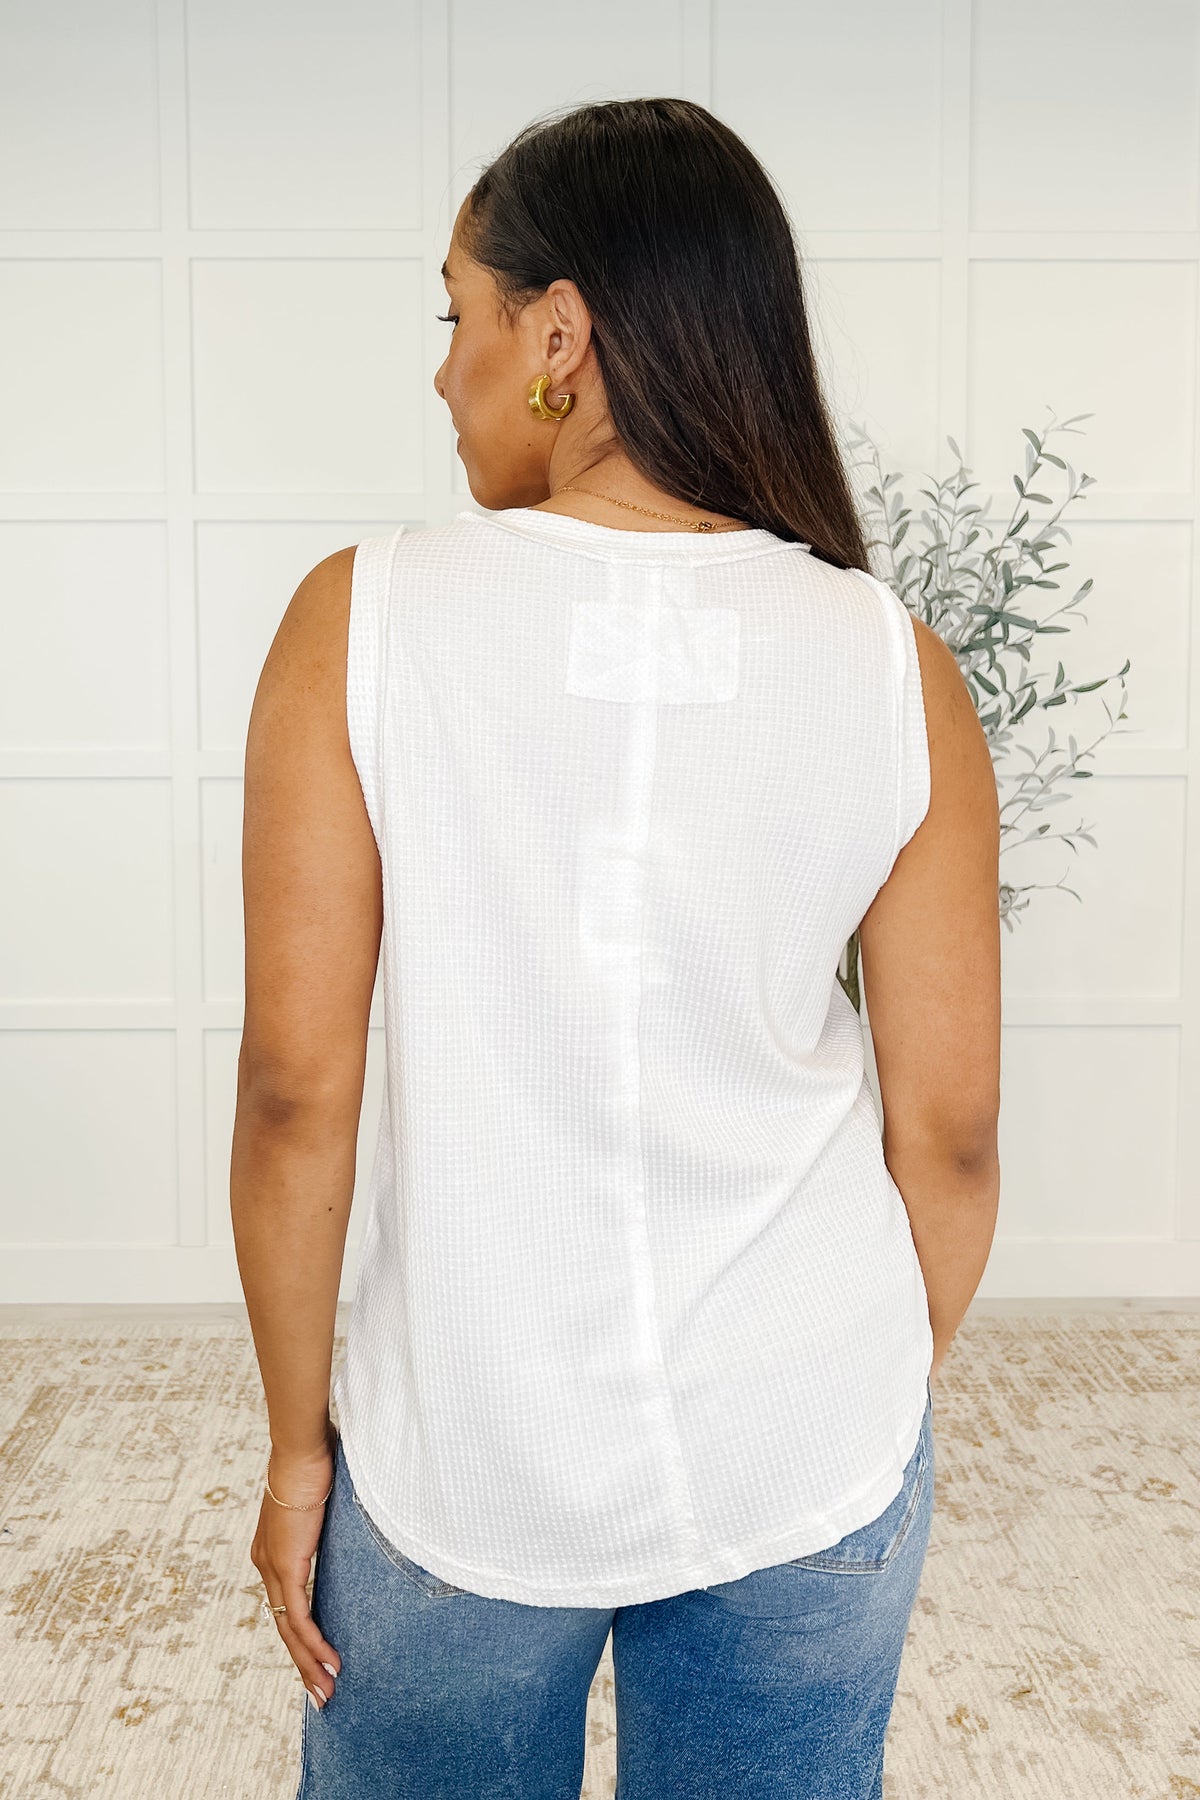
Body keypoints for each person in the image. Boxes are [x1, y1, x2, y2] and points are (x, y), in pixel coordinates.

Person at [232, 96, 1001, 1800]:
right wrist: (856, 1392)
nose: (443, 370)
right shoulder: (895, 665)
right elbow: (948, 1138)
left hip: (464, 1458)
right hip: (807, 1450)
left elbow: (296, 1094)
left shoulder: (360, 619)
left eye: (459, 313)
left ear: (557, 337)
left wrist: (296, 1457)